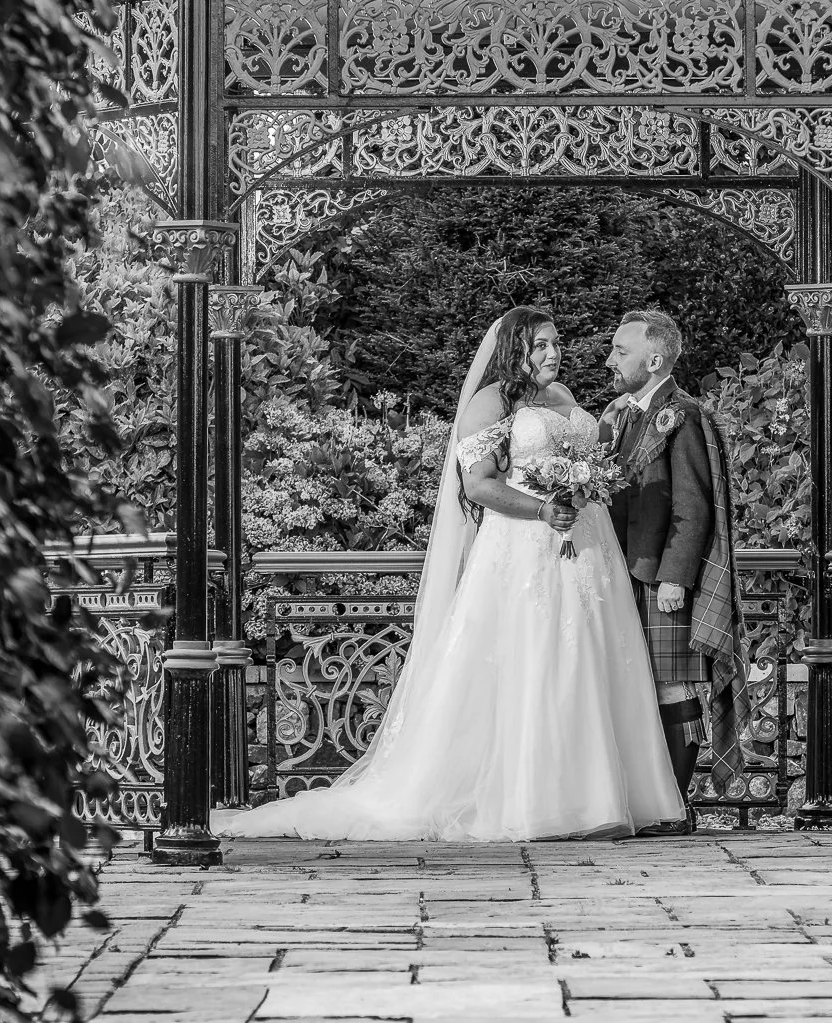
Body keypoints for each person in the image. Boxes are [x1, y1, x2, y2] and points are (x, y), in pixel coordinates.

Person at [214, 307, 685, 842]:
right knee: (535, 663)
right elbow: (480, 483)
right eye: (540, 346)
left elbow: (584, 462)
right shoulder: (488, 405)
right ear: (514, 351)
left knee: (593, 662)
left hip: (586, 546)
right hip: (523, 549)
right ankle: (537, 802)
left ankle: (604, 797)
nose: (553, 354)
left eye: (555, 343)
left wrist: (585, 487)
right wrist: (541, 510)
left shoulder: (566, 400)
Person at [603, 311, 751, 823]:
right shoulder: (621, 414)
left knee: (672, 684)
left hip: (659, 580)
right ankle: (647, 800)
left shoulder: (683, 414)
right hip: (618, 572)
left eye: (621, 352)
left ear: (655, 358)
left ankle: (675, 805)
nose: (610, 361)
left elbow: (695, 505)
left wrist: (674, 577)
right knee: (633, 684)